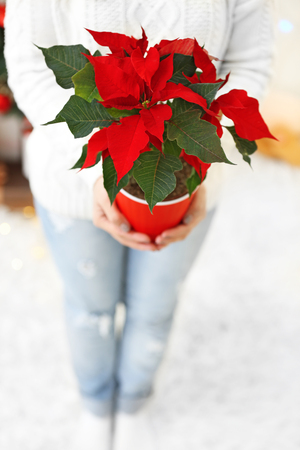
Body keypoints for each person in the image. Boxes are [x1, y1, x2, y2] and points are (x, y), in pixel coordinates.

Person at [4, 1, 275, 449]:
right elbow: (30, 65)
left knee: (154, 308)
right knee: (90, 309)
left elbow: (250, 60)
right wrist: (99, 168)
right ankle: (96, 405)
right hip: (73, 185)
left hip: (185, 181)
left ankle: (133, 402)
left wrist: (197, 159)